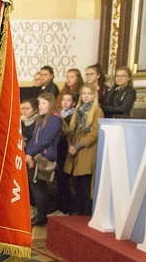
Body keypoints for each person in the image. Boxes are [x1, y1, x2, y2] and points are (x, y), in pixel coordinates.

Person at [63, 84, 104, 216]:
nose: (86, 96)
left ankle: (86, 213)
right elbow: (71, 130)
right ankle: (77, 211)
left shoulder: (97, 110)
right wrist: (70, 144)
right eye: (84, 93)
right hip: (74, 148)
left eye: (89, 93)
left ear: (94, 95)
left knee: (86, 183)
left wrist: (78, 146)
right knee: (76, 185)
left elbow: (94, 133)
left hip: (86, 149)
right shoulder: (78, 110)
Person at [25, 93, 62, 226]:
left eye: (43, 103)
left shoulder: (54, 119)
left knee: (39, 186)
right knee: (36, 186)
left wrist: (30, 154)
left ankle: (42, 216)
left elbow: (44, 140)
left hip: (44, 157)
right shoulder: (41, 119)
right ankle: (41, 213)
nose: (40, 106)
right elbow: (34, 139)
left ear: (50, 104)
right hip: (35, 155)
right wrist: (28, 153)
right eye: (39, 103)